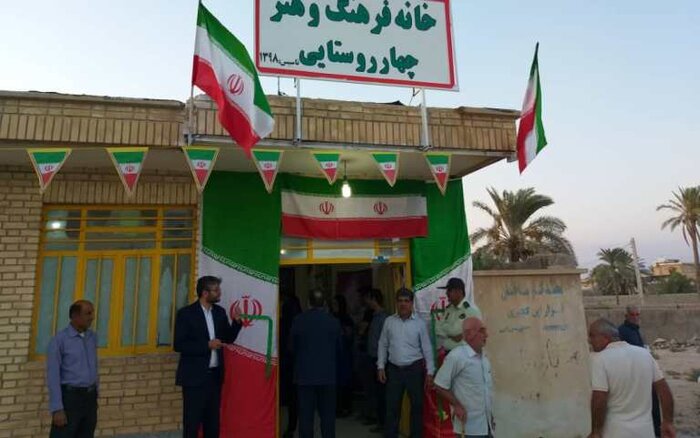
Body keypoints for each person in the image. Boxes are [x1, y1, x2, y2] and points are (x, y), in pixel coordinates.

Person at [174, 276, 242, 438]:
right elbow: (179, 345)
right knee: (192, 423)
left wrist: (237, 322)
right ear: (205, 293)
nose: (220, 293)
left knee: (212, 423)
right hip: (194, 378)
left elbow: (228, 338)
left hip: (214, 377)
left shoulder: (219, 312)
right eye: (216, 290)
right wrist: (207, 345)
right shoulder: (186, 314)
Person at [587, 318, 675, 438]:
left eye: (592, 335)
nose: (589, 340)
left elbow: (599, 398)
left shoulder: (599, 359)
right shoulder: (644, 354)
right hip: (646, 431)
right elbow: (664, 391)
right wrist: (668, 422)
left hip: (616, 432)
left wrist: (596, 432)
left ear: (606, 337)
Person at [377, 288, 435, 438]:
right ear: (396, 303)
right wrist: (380, 366)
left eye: (406, 301)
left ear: (411, 303)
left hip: (414, 370)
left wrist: (430, 372)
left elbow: (427, 348)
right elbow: (383, 344)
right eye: (400, 301)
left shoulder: (419, 324)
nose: (403, 304)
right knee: (392, 408)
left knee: (417, 407)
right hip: (394, 370)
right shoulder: (389, 321)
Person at [291, 290, 342, 438]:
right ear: (324, 303)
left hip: (304, 376)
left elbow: (291, 347)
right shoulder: (334, 322)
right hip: (327, 376)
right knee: (328, 418)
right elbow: (340, 348)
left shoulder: (298, 320)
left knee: (305, 418)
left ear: (308, 303)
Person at [46, 300, 99, 438]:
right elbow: (53, 376)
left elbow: (94, 366)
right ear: (75, 316)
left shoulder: (92, 338)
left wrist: (95, 393)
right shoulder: (59, 340)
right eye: (88, 313)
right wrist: (57, 408)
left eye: (92, 313)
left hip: (89, 399)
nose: (92, 317)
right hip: (70, 398)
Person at [434, 317, 494, 438]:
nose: (486, 335)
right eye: (482, 331)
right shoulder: (457, 356)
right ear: (470, 334)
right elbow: (439, 385)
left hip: (486, 426)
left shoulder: (484, 357)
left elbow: (484, 390)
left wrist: (490, 416)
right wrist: (456, 405)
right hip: (468, 428)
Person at [618, 306, 661, 437]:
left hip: (644, 372)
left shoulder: (636, 330)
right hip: (633, 374)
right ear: (626, 316)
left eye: (637, 314)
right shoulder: (622, 331)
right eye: (633, 314)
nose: (635, 317)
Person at [434, 278, 482, 353]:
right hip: (448, 353)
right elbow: (438, 328)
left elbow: (477, 333)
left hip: (464, 354)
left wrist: (448, 331)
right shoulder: (449, 309)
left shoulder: (470, 310)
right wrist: (453, 334)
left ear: (459, 292)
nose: (446, 293)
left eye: (449, 290)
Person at [363, 288, 388, 432]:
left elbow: (384, 341)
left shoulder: (383, 318)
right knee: (375, 391)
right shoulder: (374, 316)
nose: (367, 302)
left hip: (379, 359)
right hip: (373, 357)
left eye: (369, 298)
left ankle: (383, 423)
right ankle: (379, 421)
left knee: (381, 392)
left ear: (374, 299)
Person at [280, 288, 303, 438]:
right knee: (296, 399)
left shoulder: (283, 324)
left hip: (286, 364)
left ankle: (289, 428)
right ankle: (292, 428)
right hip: (297, 364)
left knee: (290, 398)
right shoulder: (301, 323)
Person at [331, 294, 355, 417]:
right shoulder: (330, 318)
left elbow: (349, 336)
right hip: (333, 354)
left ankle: (345, 407)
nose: (334, 306)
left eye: (336, 304)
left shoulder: (345, 319)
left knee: (344, 381)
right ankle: (337, 407)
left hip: (344, 354)